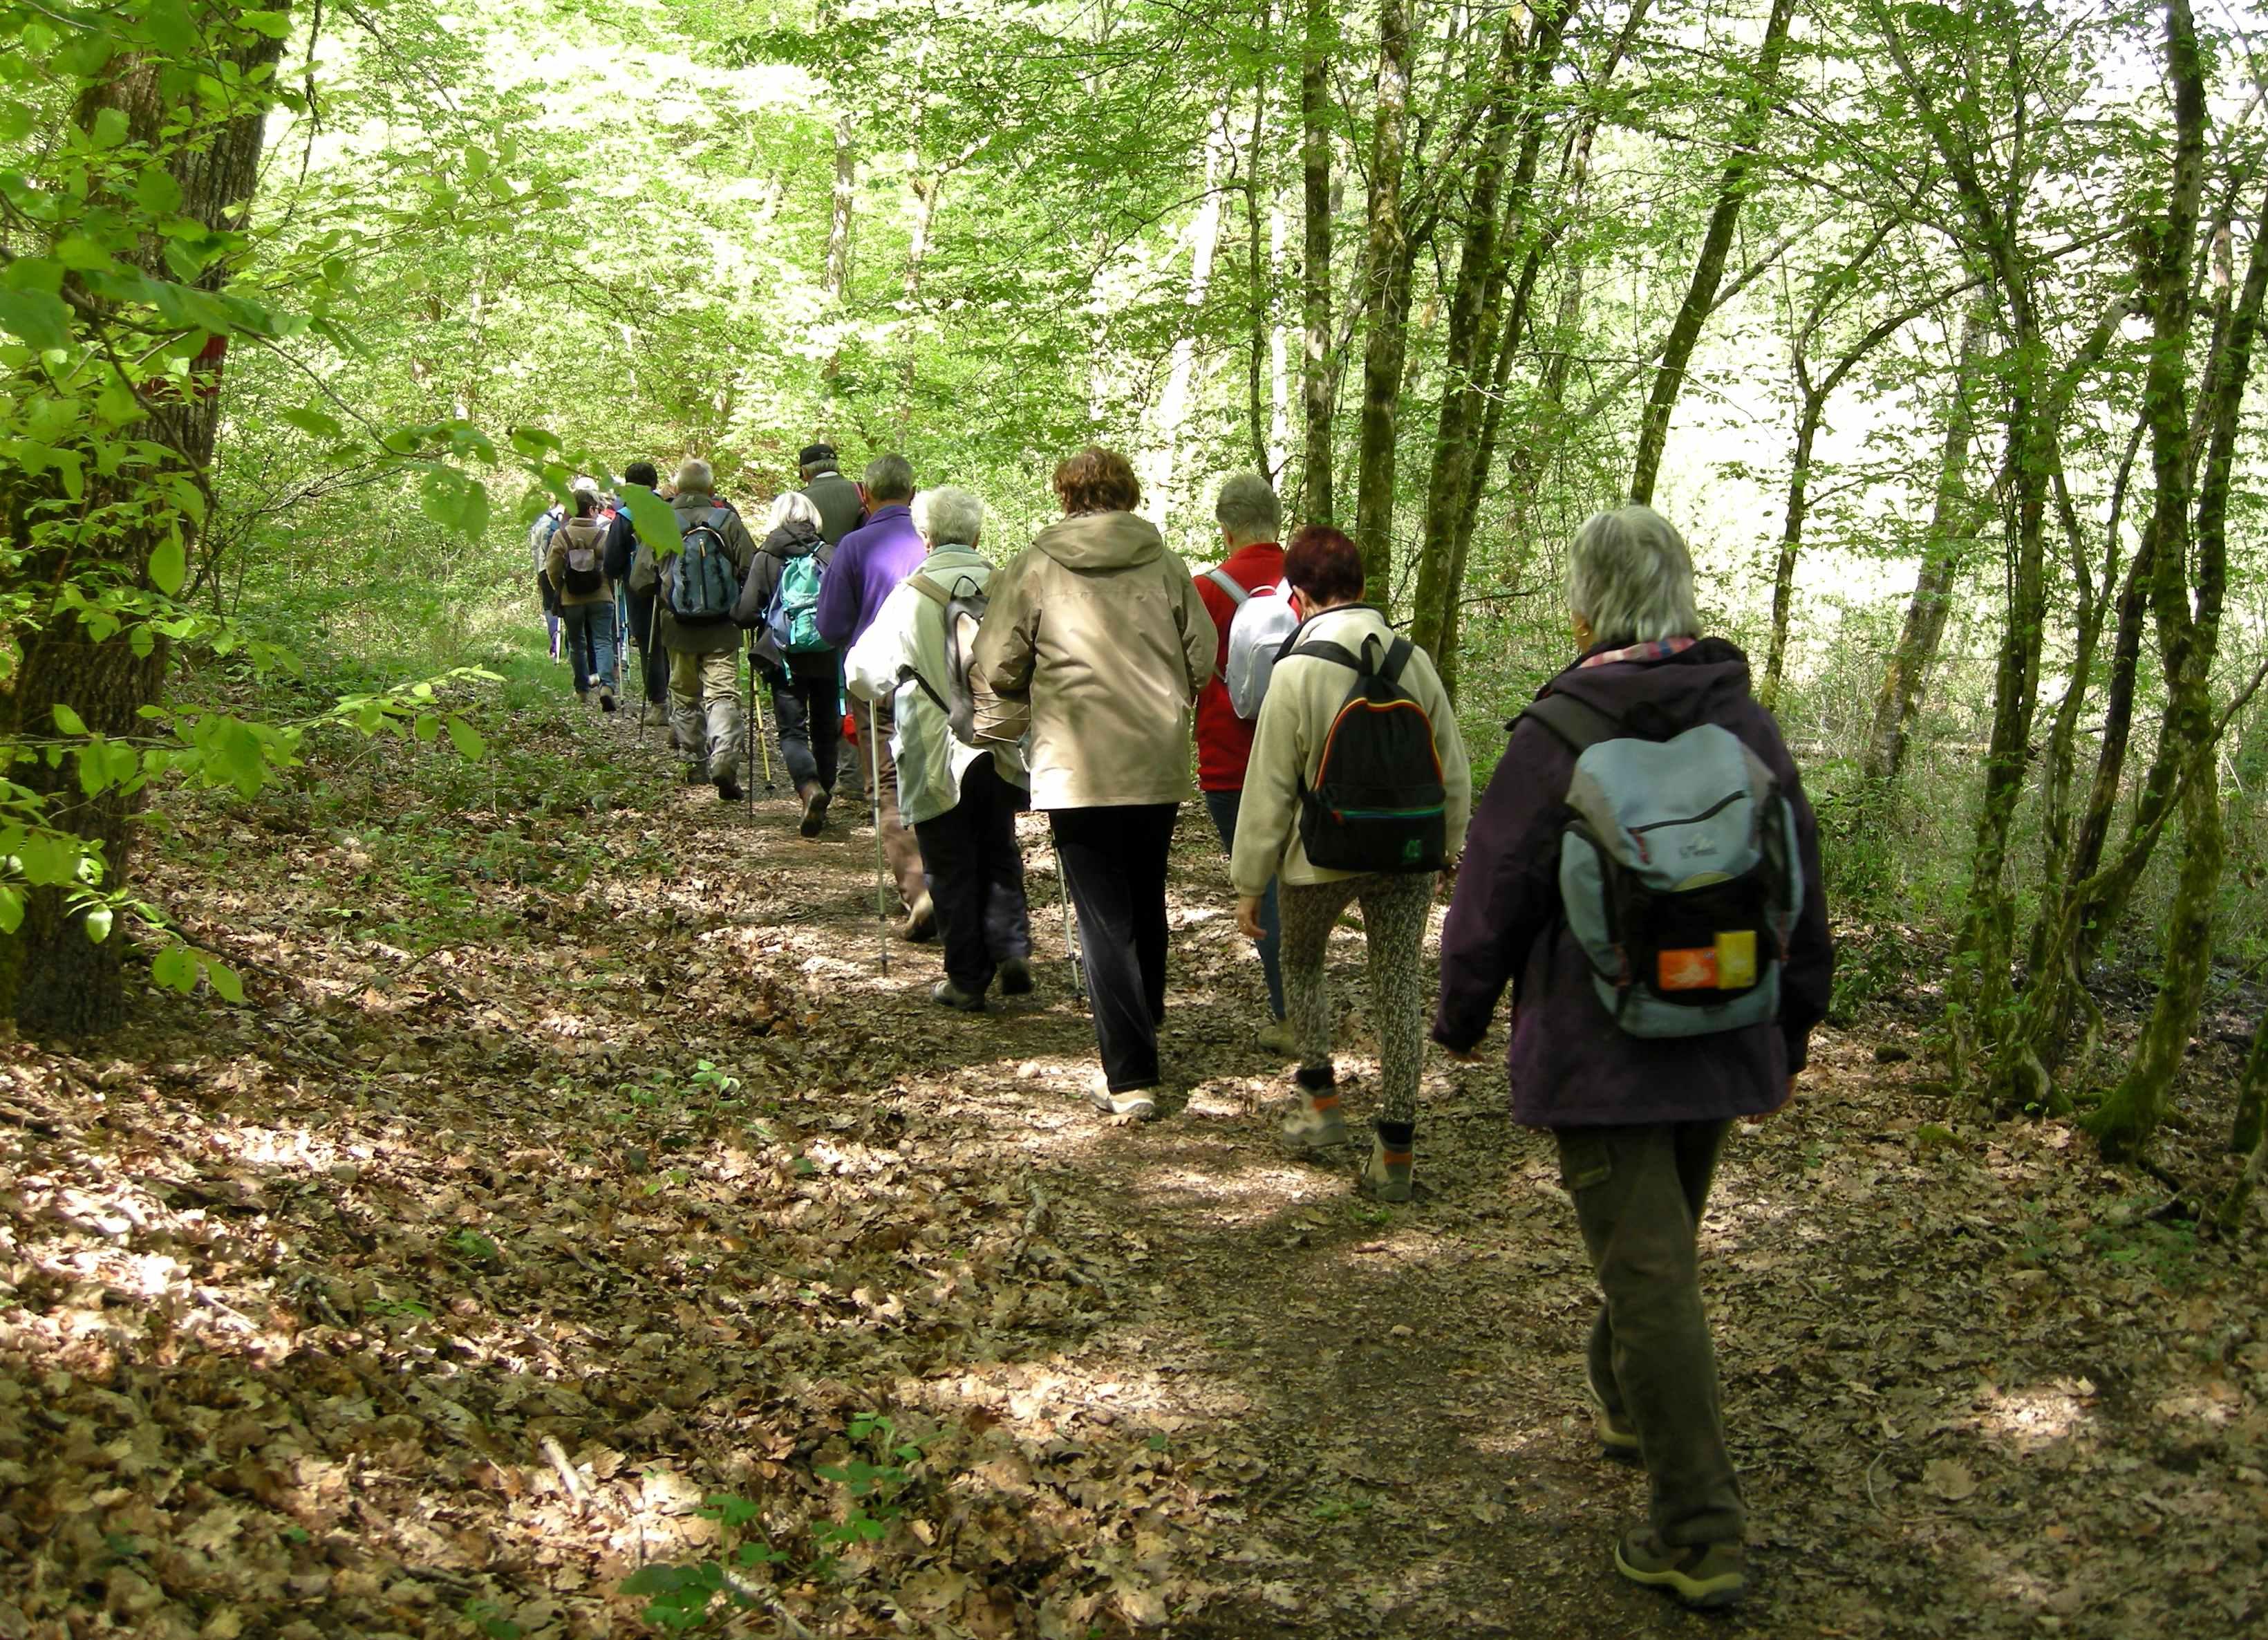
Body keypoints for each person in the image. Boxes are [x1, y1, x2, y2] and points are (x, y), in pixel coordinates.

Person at [1431, 504, 1832, 1612]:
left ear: (1583, 607)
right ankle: (1623, 1396)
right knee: (1655, 1259)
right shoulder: (1741, 719)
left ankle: (1698, 1534)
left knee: (1652, 1275)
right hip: (1726, 1026)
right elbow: (1801, 877)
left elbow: (1493, 889)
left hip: (1598, 1049)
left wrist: (1460, 1017)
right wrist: (1791, 1029)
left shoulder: (1558, 733)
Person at [972, 447, 1215, 1119]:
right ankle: (1144, 1019)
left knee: (1104, 917)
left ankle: (1130, 1076)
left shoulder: (1035, 565)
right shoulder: (1164, 563)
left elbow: (997, 661)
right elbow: (1203, 657)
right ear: (1127, 492)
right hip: (1153, 754)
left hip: (1076, 761)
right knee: (1145, 893)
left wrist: (1031, 679)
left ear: (1066, 495)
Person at [1228, 523, 1470, 1198]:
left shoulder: (1295, 670)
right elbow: (1451, 766)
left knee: (1302, 961)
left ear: (1299, 597)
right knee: (1397, 985)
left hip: (1319, 856)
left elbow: (1269, 786)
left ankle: (1320, 1105)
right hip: (1406, 853)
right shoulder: (1413, 661)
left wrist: (1249, 880)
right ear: (1362, 586)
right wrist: (1446, 847)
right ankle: (1394, 1149)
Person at [844, 486, 1033, 1010]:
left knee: (949, 860)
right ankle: (1011, 948)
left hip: (936, 747)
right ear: (978, 534)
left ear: (925, 537)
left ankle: (967, 980)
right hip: (1002, 740)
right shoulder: (1009, 586)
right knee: (998, 846)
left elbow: (863, 674)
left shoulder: (909, 595)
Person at [1195, 474, 1293, 1054]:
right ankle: (1302, 1003)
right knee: (1302, 883)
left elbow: (1184, 675)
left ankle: (1292, 1014)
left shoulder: (1203, 590)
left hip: (1231, 765)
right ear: (1276, 524)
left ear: (1225, 529)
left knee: (1263, 889)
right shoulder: (1307, 583)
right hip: (1305, 759)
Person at [816, 454, 932, 937]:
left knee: (888, 786)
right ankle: (955, 887)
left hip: (877, 686)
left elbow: (829, 626)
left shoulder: (853, 546)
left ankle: (918, 891)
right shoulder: (933, 541)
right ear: (913, 492)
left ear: (864, 494)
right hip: (937, 682)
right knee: (940, 780)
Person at [630, 458, 757, 801]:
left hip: (678, 627)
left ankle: (693, 761)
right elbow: (750, 566)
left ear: (676, 489)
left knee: (686, 695)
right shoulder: (727, 520)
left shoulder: (661, 523)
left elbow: (640, 580)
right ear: (711, 489)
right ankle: (724, 757)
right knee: (723, 694)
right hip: (722, 627)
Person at [735, 491, 843, 836]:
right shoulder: (829, 553)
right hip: (827, 652)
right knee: (826, 730)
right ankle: (823, 798)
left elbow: (746, 612)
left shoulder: (767, 555)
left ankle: (809, 788)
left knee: (792, 730)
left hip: (785, 657)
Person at [606, 459, 671, 723]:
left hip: (640, 588)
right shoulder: (671, 509)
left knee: (649, 644)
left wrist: (616, 575)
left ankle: (659, 704)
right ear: (654, 484)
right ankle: (682, 702)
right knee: (672, 642)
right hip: (674, 585)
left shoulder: (626, 516)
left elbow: (612, 561)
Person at [547, 485, 621, 710]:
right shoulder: (603, 535)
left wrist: (561, 588)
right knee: (603, 641)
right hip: (601, 596)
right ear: (591, 510)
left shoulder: (561, 536)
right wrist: (609, 586)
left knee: (577, 643)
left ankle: (582, 690)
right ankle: (607, 686)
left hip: (572, 599)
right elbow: (613, 566)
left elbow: (552, 569)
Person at [799, 442, 866, 546]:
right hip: (863, 553)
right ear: (837, 466)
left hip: (820, 555)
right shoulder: (863, 490)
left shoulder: (800, 499)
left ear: (804, 471)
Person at [529, 498, 566, 662]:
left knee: (550, 606)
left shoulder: (540, 521)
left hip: (543, 569)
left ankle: (555, 644)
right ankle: (568, 645)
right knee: (566, 605)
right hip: (560, 569)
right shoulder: (564, 519)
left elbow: (535, 549)